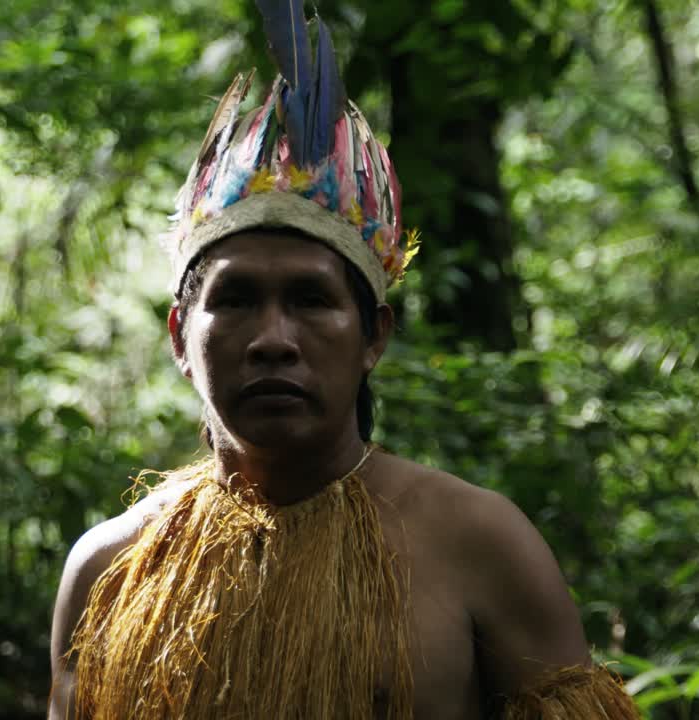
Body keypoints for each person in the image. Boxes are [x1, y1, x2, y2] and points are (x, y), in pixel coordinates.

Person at [49, 3, 640, 718]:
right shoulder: (110, 568)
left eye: (309, 299)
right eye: (235, 300)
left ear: (374, 337)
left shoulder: (481, 544)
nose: (273, 338)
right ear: (180, 336)